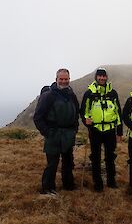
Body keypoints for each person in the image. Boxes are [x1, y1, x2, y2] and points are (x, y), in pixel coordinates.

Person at [34, 68, 79, 196]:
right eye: (61, 79)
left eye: (66, 79)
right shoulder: (48, 96)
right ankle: (47, 188)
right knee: (52, 163)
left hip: (68, 134)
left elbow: (76, 112)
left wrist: (74, 129)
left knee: (68, 161)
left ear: (69, 79)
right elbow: (38, 117)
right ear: (56, 79)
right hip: (53, 134)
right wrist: (47, 132)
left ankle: (68, 185)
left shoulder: (71, 95)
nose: (64, 81)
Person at [80, 68, 123, 192]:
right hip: (95, 130)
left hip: (110, 130)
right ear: (96, 77)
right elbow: (83, 111)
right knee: (95, 157)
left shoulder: (113, 93)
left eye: (104, 76)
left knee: (110, 157)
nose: (102, 78)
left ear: (106, 77)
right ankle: (97, 183)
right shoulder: (89, 93)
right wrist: (85, 120)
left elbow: (118, 113)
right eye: (99, 76)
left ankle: (111, 181)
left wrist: (119, 132)